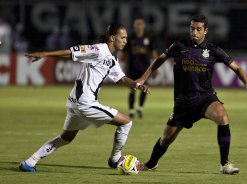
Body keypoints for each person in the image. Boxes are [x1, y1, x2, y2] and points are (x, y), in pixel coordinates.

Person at [137, 15, 247, 174]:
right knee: (166, 139)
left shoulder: (213, 50)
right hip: (183, 102)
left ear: (205, 31)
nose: (194, 32)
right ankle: (151, 163)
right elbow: (159, 60)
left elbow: (236, 68)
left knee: (222, 117)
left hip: (205, 98)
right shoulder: (179, 46)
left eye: (198, 29)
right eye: (192, 29)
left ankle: (225, 164)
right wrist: (144, 77)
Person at [19, 23, 150, 172]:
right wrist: (45, 54)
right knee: (126, 122)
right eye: (123, 37)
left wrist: (136, 85)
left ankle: (30, 162)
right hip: (85, 103)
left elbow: (121, 78)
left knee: (66, 138)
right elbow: (72, 52)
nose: (126, 40)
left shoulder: (112, 58)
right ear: (113, 38)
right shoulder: (98, 49)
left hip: (74, 103)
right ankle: (114, 159)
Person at [123, 18, 158, 119]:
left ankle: (139, 109)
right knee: (132, 89)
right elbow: (123, 53)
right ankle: (131, 111)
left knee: (144, 89)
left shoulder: (148, 38)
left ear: (143, 26)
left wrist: (155, 68)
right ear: (134, 26)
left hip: (144, 69)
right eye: (137, 24)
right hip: (132, 68)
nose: (139, 26)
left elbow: (153, 53)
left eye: (140, 24)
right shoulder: (130, 38)